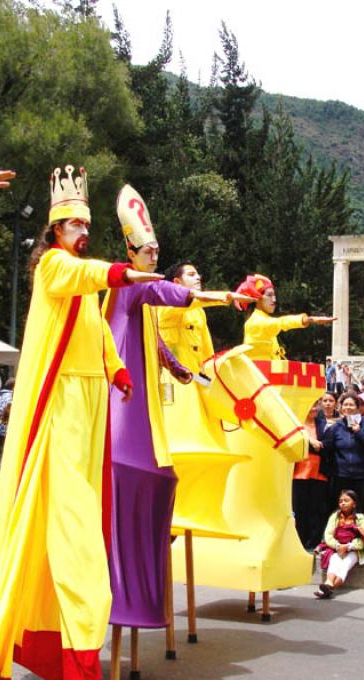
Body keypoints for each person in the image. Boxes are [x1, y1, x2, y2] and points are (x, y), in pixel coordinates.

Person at [0, 164, 161, 680]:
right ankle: (73, 628)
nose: (81, 233)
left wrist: (118, 368)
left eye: (84, 226)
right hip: (59, 406)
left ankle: (71, 630)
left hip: (89, 405)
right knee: (72, 518)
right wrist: (124, 274)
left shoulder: (78, 280)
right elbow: (85, 278)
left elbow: (96, 327)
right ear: (54, 232)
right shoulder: (54, 269)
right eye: (72, 225)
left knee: (85, 509)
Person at [104, 186, 238, 631]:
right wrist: (222, 297)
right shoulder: (128, 286)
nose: (154, 253)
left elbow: (157, 343)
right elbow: (170, 295)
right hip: (127, 402)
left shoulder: (143, 293)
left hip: (162, 390)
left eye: (157, 248)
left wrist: (185, 372)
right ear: (130, 251)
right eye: (148, 248)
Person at [234, 273, 334, 359]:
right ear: (257, 299)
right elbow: (282, 322)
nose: (274, 300)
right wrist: (310, 319)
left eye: (274, 296)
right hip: (261, 376)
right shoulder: (255, 322)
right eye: (269, 295)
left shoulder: (261, 319)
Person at [322, 391, 364, 515]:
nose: (348, 407)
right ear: (341, 407)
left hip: (362, 476)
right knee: (339, 510)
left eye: (351, 405)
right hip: (341, 476)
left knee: (360, 510)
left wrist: (359, 432)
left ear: (357, 407)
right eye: (345, 404)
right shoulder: (335, 427)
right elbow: (327, 449)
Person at [314, 490, 364, 598]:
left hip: (355, 550)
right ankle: (328, 583)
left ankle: (328, 588)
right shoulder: (335, 516)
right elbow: (328, 535)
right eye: (341, 501)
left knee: (345, 565)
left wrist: (349, 546)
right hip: (336, 548)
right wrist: (337, 546)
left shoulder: (360, 517)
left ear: (354, 504)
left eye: (346, 500)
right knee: (334, 561)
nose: (342, 503)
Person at [293, 402, 329, 551]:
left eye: (316, 405)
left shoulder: (323, 424)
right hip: (299, 473)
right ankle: (299, 541)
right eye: (311, 405)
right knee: (300, 510)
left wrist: (317, 445)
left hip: (319, 473)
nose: (313, 409)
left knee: (316, 510)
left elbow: (328, 444)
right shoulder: (296, 424)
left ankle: (313, 542)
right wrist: (310, 442)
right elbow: (294, 443)